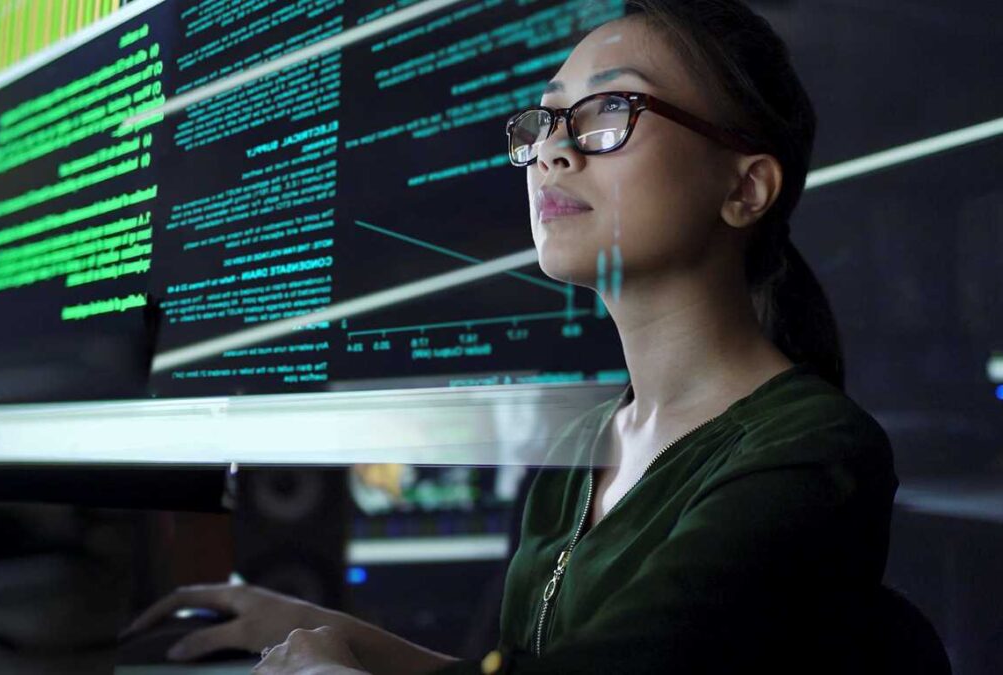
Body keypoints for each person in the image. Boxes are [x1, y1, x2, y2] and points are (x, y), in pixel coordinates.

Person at [122, 1, 899, 672]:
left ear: (745, 188)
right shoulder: (589, 443)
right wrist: (321, 632)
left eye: (608, 113)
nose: (551, 152)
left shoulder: (812, 449)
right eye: (544, 120)